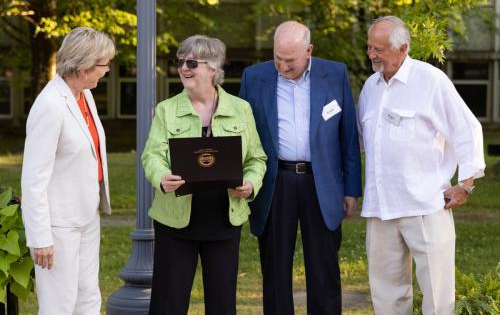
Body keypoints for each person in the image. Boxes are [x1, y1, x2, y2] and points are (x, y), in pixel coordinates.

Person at [358, 16, 486, 315]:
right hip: (381, 209)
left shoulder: (431, 81)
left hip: (427, 205)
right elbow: (364, 143)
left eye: (379, 49)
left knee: (438, 297)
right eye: (369, 48)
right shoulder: (370, 87)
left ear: (402, 48)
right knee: (387, 296)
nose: (372, 55)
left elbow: (467, 130)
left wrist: (465, 184)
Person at [239, 21, 362, 314]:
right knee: (275, 267)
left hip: (322, 184)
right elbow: (241, 133)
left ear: (309, 51)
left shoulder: (334, 74)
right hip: (275, 182)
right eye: (277, 58)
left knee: (324, 269)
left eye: (290, 60)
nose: (282, 66)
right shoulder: (254, 77)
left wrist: (351, 189)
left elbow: (348, 137)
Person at [141, 35, 267, 315]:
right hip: (175, 221)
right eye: (181, 62)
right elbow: (152, 156)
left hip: (224, 220)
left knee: (222, 304)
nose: (184, 68)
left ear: (213, 69)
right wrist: (161, 177)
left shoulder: (240, 109)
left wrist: (251, 183)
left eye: (191, 62)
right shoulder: (167, 109)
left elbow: (257, 158)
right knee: (168, 303)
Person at [21, 27, 114, 315]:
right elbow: (33, 179)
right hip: (59, 224)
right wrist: (41, 238)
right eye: (104, 64)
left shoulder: (84, 95)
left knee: (88, 298)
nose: (107, 70)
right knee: (59, 306)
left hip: (86, 216)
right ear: (84, 66)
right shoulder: (50, 105)